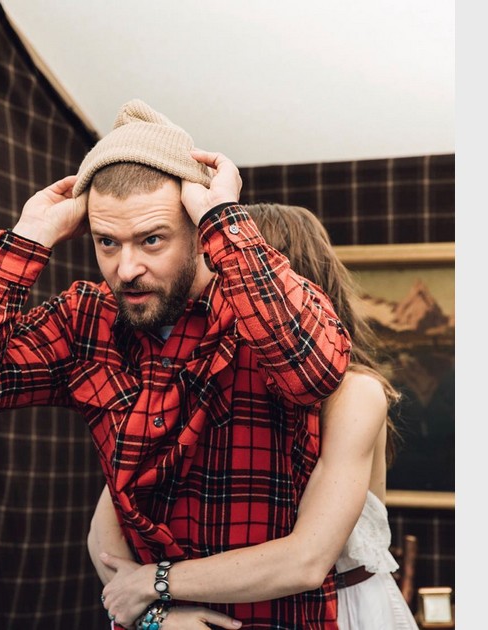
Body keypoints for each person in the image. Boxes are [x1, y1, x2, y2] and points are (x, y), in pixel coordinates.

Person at [0, 99, 353, 629]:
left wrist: (222, 217)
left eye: (152, 240)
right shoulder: (85, 320)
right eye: (107, 242)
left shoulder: (261, 308)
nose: (126, 269)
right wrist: (31, 236)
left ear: (197, 229)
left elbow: (314, 374)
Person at [88, 203, 420, 629]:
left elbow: (306, 559)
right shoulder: (200, 381)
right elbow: (105, 532)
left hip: (344, 611)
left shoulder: (353, 392)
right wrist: (156, 617)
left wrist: (156, 582)